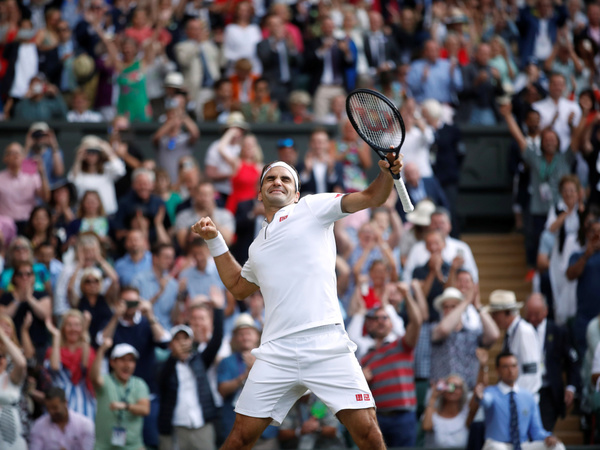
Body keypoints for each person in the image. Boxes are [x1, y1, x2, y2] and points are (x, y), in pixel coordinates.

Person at [191, 154, 403, 449]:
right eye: (270, 178)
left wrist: (386, 174)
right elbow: (239, 288)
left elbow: (372, 196)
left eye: (285, 178)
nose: (277, 181)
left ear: (297, 193)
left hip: (327, 343)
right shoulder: (257, 246)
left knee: (368, 432)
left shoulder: (313, 207)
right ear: (259, 192)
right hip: (277, 350)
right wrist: (214, 240)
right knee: (239, 439)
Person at [360, 282, 423, 447]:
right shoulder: (364, 358)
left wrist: (407, 295)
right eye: (375, 318)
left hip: (403, 417)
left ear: (391, 323)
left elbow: (417, 322)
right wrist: (362, 381)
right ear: (369, 325)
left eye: (384, 318)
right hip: (378, 418)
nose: (380, 321)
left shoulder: (402, 345)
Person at [473, 351, 566, 450]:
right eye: (505, 367)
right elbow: (485, 400)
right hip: (497, 444)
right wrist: (480, 396)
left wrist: (547, 437)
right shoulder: (491, 392)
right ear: (497, 370)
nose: (510, 370)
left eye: (513, 366)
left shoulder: (528, 396)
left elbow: (536, 431)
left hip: (522, 445)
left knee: (557, 447)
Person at [524, 293, 580, 432]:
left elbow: (572, 361)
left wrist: (571, 387)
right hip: (526, 388)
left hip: (548, 389)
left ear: (546, 311)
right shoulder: (521, 329)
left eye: (536, 314)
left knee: (543, 430)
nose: (532, 319)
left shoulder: (558, 332)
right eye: (529, 314)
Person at [90, 339, 151, 450]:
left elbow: (145, 409)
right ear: (112, 362)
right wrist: (102, 350)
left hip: (134, 447)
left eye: (131, 361)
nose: (127, 364)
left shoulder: (139, 384)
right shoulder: (105, 380)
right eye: (123, 360)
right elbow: (94, 377)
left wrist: (125, 406)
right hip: (104, 447)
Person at [488, 290, 542, 399]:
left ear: (507, 312)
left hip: (524, 400)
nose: (493, 318)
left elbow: (531, 373)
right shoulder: (512, 332)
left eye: (495, 314)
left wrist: (517, 398)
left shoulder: (524, 331)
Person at [45, 310, 97, 419]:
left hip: (82, 402)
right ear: (63, 328)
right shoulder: (54, 349)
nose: (73, 329)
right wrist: (56, 336)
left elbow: (86, 365)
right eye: (69, 325)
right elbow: (55, 367)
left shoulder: (87, 349)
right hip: (58, 400)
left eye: (77, 325)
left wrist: (86, 332)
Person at [29, 386, 95, 449]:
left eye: (55, 408)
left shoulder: (85, 425)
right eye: (48, 409)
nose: (51, 412)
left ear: (65, 402)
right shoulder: (39, 426)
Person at [0, 317, 27, 449]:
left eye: (2, 357)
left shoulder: (9, 376)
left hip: (10, 431)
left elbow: (21, 363)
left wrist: (3, 337)